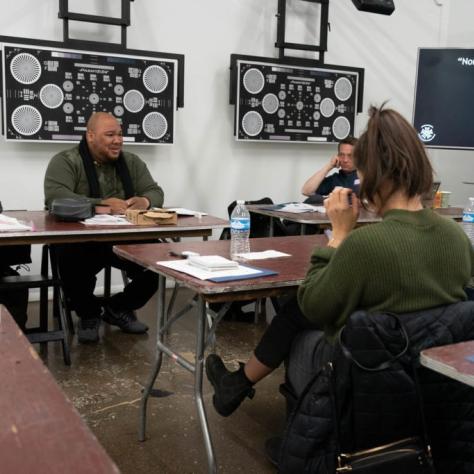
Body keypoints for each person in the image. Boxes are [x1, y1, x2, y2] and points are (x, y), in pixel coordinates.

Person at [205, 105, 474, 422]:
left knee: (300, 321)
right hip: (431, 378)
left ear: (374, 176)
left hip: (365, 375)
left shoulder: (365, 245)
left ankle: (292, 419)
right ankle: (240, 386)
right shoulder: (458, 239)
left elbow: (314, 304)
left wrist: (339, 235)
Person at [44, 112, 164, 344]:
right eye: (110, 135)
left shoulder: (132, 162)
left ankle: (117, 308)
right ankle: (88, 314)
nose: (118, 140)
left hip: (123, 238)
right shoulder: (66, 161)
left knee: (160, 262)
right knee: (67, 257)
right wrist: (100, 204)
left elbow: (155, 191)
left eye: (120, 134)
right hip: (81, 241)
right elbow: (56, 197)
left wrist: (145, 201)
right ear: (90, 136)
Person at [301, 136, 359, 202]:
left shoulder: (365, 178)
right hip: (338, 211)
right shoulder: (335, 179)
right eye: (342, 155)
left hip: (358, 211)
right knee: (311, 200)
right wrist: (329, 166)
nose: (345, 160)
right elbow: (306, 191)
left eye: (350, 155)